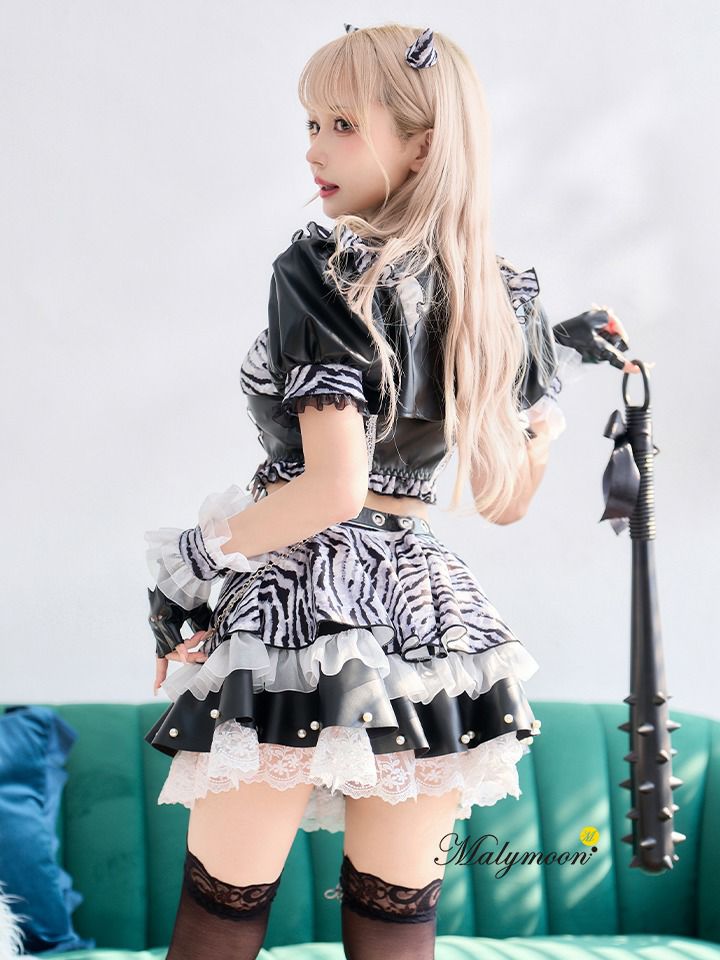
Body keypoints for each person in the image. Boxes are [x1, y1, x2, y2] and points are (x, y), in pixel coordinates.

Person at [142, 23, 648, 960]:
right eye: (312, 122)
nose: (314, 148)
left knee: (221, 921)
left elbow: (331, 491)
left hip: (298, 605)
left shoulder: (321, 269)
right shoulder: (505, 295)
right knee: (394, 931)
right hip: (428, 620)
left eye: (342, 123)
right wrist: (546, 416)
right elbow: (504, 501)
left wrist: (193, 558)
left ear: (423, 144)